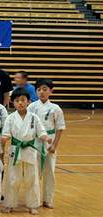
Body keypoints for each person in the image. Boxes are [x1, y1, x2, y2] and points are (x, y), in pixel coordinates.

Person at [1, 88, 50, 215]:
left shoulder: (34, 117)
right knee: (13, 178)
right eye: (17, 101)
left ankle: (33, 205)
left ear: (28, 101)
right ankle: (9, 204)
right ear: (13, 103)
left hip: (30, 148)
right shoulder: (10, 118)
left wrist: (46, 137)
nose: (20, 103)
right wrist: (4, 139)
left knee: (32, 177)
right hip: (15, 149)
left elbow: (41, 132)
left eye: (23, 100)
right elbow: (6, 133)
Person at [28, 79, 65, 209]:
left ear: (51, 91)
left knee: (50, 172)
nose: (41, 92)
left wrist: (55, 145)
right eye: (39, 90)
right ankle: (35, 199)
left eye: (45, 89)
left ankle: (48, 199)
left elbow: (60, 128)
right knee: (34, 172)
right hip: (35, 141)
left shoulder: (56, 108)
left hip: (50, 141)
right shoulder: (32, 107)